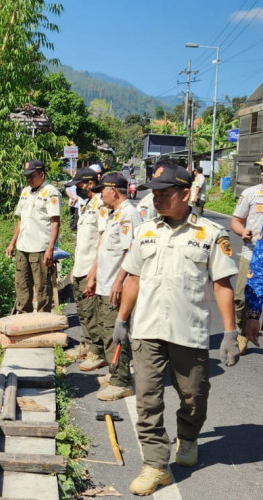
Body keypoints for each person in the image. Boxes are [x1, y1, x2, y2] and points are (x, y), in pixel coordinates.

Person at [113, 161, 238, 496]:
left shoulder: (210, 234)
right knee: (147, 400)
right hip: (147, 330)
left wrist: (229, 333)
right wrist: (122, 320)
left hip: (189, 332)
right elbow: (134, 278)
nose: (157, 200)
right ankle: (155, 465)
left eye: (165, 194)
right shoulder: (145, 231)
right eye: (154, 193)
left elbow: (222, 284)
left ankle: (189, 435)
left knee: (193, 397)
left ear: (186, 193)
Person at [83, 172, 141, 400]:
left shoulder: (129, 215)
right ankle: (115, 370)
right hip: (105, 283)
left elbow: (131, 252)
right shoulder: (115, 214)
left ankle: (121, 381)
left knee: (115, 333)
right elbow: (105, 249)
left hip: (116, 285)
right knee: (106, 329)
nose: (100, 195)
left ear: (113, 190)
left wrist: (119, 281)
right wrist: (94, 275)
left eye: (102, 191)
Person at [6, 160, 61, 313]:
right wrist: (12, 243)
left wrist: (50, 248)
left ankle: (43, 323)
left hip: (40, 248)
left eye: (32, 176)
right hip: (23, 247)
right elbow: (21, 220)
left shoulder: (51, 192)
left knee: (42, 288)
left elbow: (55, 222)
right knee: (22, 286)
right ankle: (24, 320)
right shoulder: (25, 192)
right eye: (27, 177)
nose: (29, 180)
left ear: (42, 174)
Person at [64, 168, 106, 362]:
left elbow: (101, 239)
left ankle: (97, 352)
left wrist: (95, 271)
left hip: (91, 268)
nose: (77, 189)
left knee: (92, 312)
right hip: (81, 267)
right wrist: (74, 267)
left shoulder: (101, 207)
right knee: (82, 310)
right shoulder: (88, 205)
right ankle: (86, 344)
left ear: (90, 184)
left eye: (79, 185)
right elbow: (83, 242)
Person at [230, 156, 263, 353]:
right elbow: (235, 221)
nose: (262, 172)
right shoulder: (251, 194)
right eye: (261, 169)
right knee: (243, 297)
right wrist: (242, 232)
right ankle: (241, 331)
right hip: (251, 254)